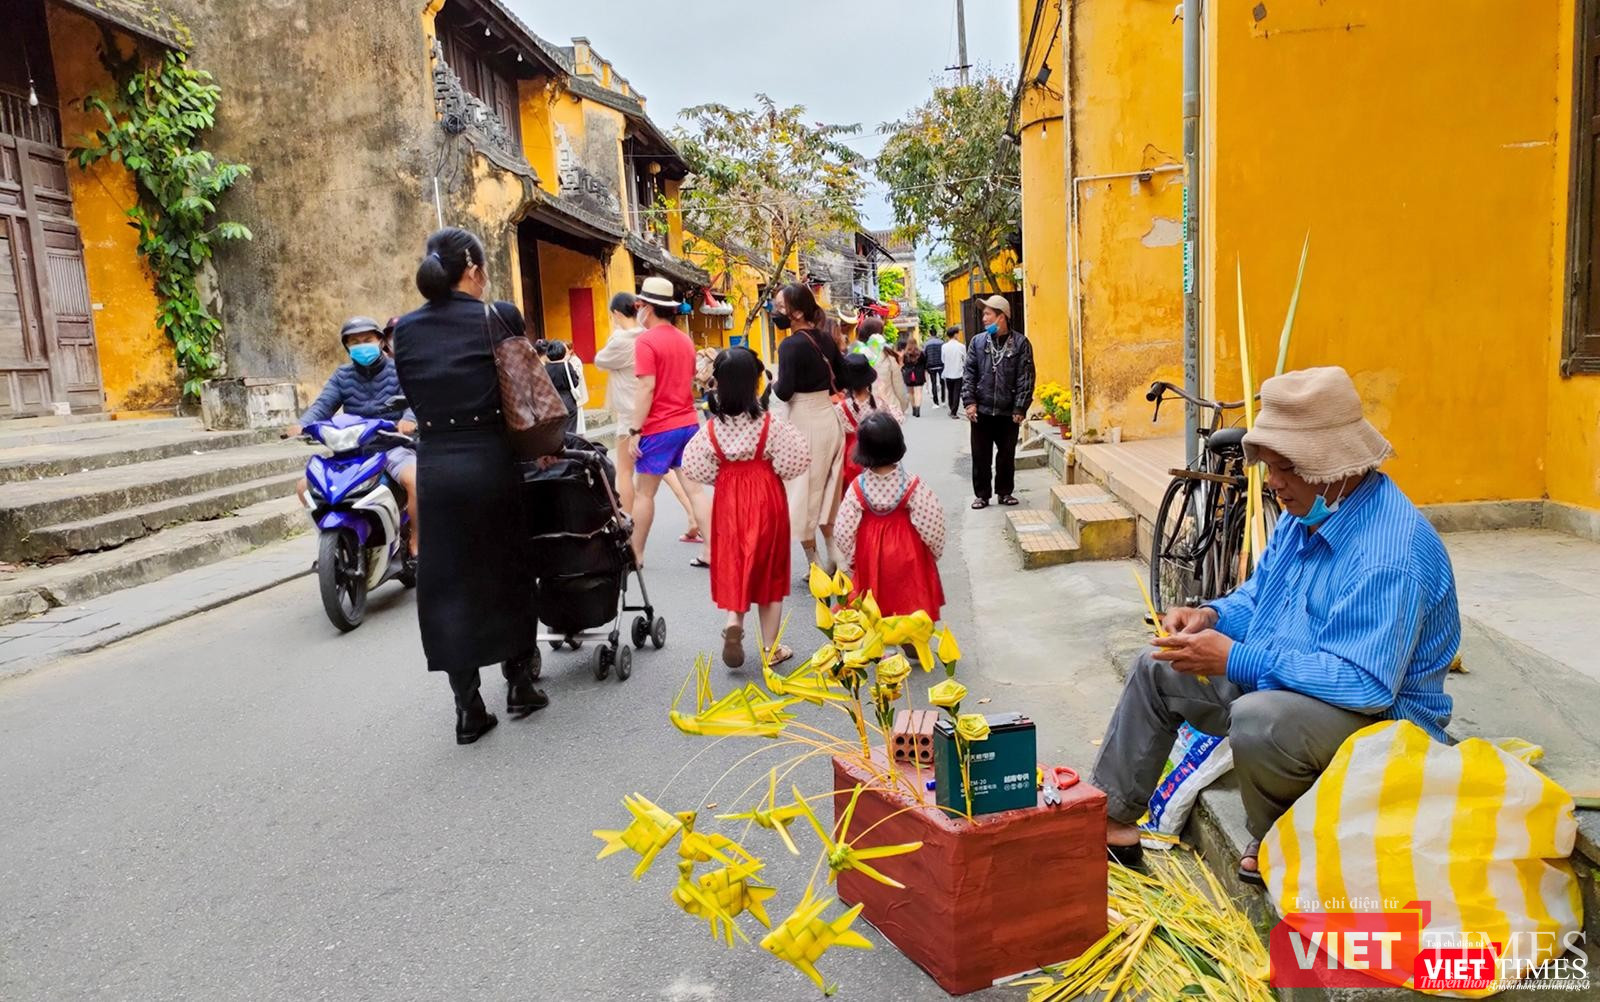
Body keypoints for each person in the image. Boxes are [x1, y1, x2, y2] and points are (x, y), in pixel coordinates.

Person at [1092, 366, 1460, 884]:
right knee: (1159, 665)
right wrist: (1211, 616)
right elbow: (1261, 598)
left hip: (1383, 725)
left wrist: (1235, 658)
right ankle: (1113, 823)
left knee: (1259, 718)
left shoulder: (1389, 554)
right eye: (1269, 463)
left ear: (1336, 465)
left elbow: (1366, 686)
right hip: (1301, 680)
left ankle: (1280, 837)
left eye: (1287, 466)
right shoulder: (1307, 512)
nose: (1275, 482)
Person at [392, 227, 545, 745]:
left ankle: (467, 708)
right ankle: (521, 684)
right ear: (474, 270)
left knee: (449, 584)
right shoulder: (495, 316)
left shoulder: (405, 331)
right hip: (490, 463)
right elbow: (525, 396)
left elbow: (413, 395)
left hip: (434, 466)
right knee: (508, 572)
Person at [681, 348, 811, 670]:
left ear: (719, 385)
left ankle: (733, 621)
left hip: (729, 498)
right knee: (768, 568)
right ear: (755, 383)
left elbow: (693, 466)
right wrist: (771, 471)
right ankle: (771, 649)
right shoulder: (770, 423)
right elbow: (798, 459)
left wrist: (725, 477)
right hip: (766, 496)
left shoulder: (712, 429)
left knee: (737, 562)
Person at [287, 317, 420, 554]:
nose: (362, 345)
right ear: (347, 346)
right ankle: (336, 542)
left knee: (415, 481)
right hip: (352, 450)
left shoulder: (399, 370)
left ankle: (417, 541)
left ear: (380, 341)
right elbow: (322, 406)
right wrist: (302, 424)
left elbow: (414, 399)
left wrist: (408, 420)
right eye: (355, 341)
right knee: (303, 488)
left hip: (392, 445)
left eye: (367, 339)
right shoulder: (342, 376)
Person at [626, 276, 710, 567]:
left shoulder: (646, 341)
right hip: (688, 422)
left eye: (640, 304)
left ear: (647, 307)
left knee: (644, 494)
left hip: (659, 427)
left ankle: (636, 554)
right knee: (695, 490)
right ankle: (711, 551)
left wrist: (636, 430)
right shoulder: (685, 340)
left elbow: (646, 387)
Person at [834, 412, 946, 621]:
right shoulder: (912, 485)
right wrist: (932, 553)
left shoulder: (857, 488)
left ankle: (881, 646)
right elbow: (932, 522)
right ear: (897, 442)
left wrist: (852, 560)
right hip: (908, 552)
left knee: (874, 606)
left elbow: (843, 530)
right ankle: (911, 643)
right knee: (911, 605)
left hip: (870, 553)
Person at [771, 282, 845, 575]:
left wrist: (773, 382)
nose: (775, 312)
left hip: (803, 420)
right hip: (829, 418)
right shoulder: (826, 339)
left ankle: (814, 563)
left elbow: (785, 391)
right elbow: (841, 375)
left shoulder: (789, 345)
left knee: (802, 493)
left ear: (798, 312)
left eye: (780, 307)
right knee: (828, 490)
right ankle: (834, 555)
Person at [962, 296, 1035, 509]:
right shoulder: (977, 342)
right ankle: (982, 495)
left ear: (1001, 317)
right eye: (983, 314)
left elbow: (1026, 377)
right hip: (982, 410)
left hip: (1007, 411)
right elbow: (969, 374)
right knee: (981, 455)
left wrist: (1020, 407)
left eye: (988, 314)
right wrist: (969, 402)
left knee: (1006, 455)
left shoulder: (1021, 343)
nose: (983, 318)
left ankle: (1004, 492)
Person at [835, 353, 902, 493]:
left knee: (855, 493)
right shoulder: (878, 403)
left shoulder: (841, 408)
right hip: (877, 453)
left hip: (851, 457)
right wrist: (886, 398)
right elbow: (898, 419)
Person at [544, 340, 588, 436]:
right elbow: (575, 382)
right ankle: (569, 448)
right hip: (567, 400)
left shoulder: (545, 368)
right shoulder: (566, 366)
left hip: (552, 401)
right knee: (570, 431)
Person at [941, 326, 966, 419]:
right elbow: (965, 359)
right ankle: (953, 412)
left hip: (947, 372)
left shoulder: (944, 346)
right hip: (958, 372)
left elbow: (943, 360)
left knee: (950, 392)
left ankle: (952, 409)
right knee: (956, 393)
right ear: (955, 334)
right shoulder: (961, 346)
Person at [900, 336, 928, 418]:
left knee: (910, 393)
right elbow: (924, 362)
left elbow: (903, 364)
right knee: (918, 392)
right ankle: (918, 409)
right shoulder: (920, 353)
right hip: (919, 374)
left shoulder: (905, 354)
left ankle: (913, 409)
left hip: (908, 375)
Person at [923, 327, 946, 407]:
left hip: (931, 366)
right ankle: (943, 400)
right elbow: (944, 354)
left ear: (930, 334)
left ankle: (936, 402)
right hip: (941, 365)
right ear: (936, 333)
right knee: (942, 383)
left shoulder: (926, 344)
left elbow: (924, 355)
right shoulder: (942, 342)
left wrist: (925, 366)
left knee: (933, 383)